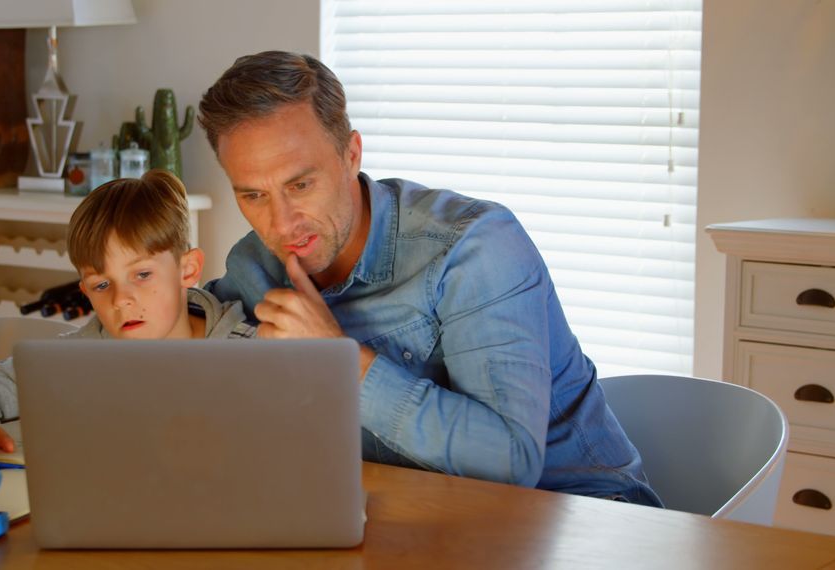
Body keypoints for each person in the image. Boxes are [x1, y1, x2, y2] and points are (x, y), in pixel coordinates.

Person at [197, 51, 662, 506]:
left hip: (580, 513)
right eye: (254, 195)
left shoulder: (476, 248)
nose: (280, 224)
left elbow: (510, 462)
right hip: (413, 514)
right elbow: (179, 338)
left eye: (300, 185)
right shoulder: (254, 266)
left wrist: (340, 360)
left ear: (351, 154)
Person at [0, 170, 256, 459]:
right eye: (102, 284)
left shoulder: (254, 351)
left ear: (187, 269)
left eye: (142, 275)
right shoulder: (80, 357)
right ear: (86, 293)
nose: (121, 299)